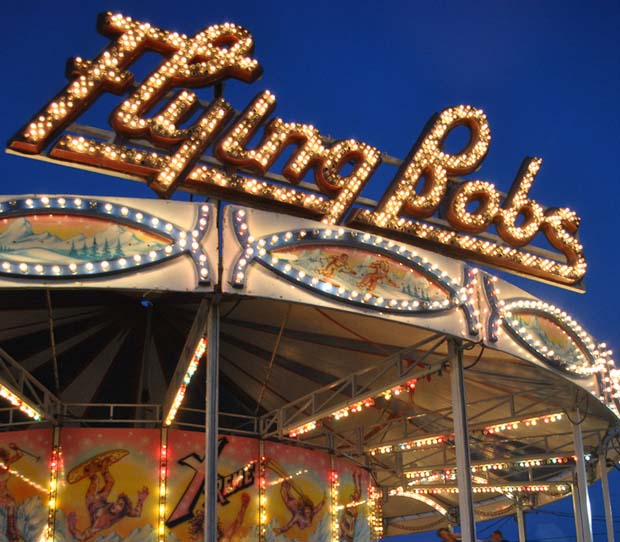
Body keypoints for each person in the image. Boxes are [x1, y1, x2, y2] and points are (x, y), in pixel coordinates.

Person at [67, 456, 149, 541]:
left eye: (120, 505)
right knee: (111, 482)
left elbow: (82, 537)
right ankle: (104, 468)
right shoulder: (123, 511)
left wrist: (71, 528)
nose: (116, 504)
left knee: (96, 480)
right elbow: (137, 513)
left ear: (122, 510)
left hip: (91, 501)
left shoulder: (100, 523)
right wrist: (141, 500)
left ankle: (90, 470)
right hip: (101, 500)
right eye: (117, 502)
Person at [0, 443, 24, 542]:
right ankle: (10, 531)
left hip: (5, 494)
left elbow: (20, 454)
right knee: (11, 504)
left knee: (12, 504)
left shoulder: (6, 464)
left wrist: (16, 447)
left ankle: (12, 531)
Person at [339, 471, 362, 541]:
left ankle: (345, 535)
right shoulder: (350, 505)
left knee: (348, 528)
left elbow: (358, 489)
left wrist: (357, 478)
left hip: (351, 518)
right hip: (348, 518)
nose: (351, 499)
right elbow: (344, 514)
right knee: (344, 525)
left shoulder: (355, 503)